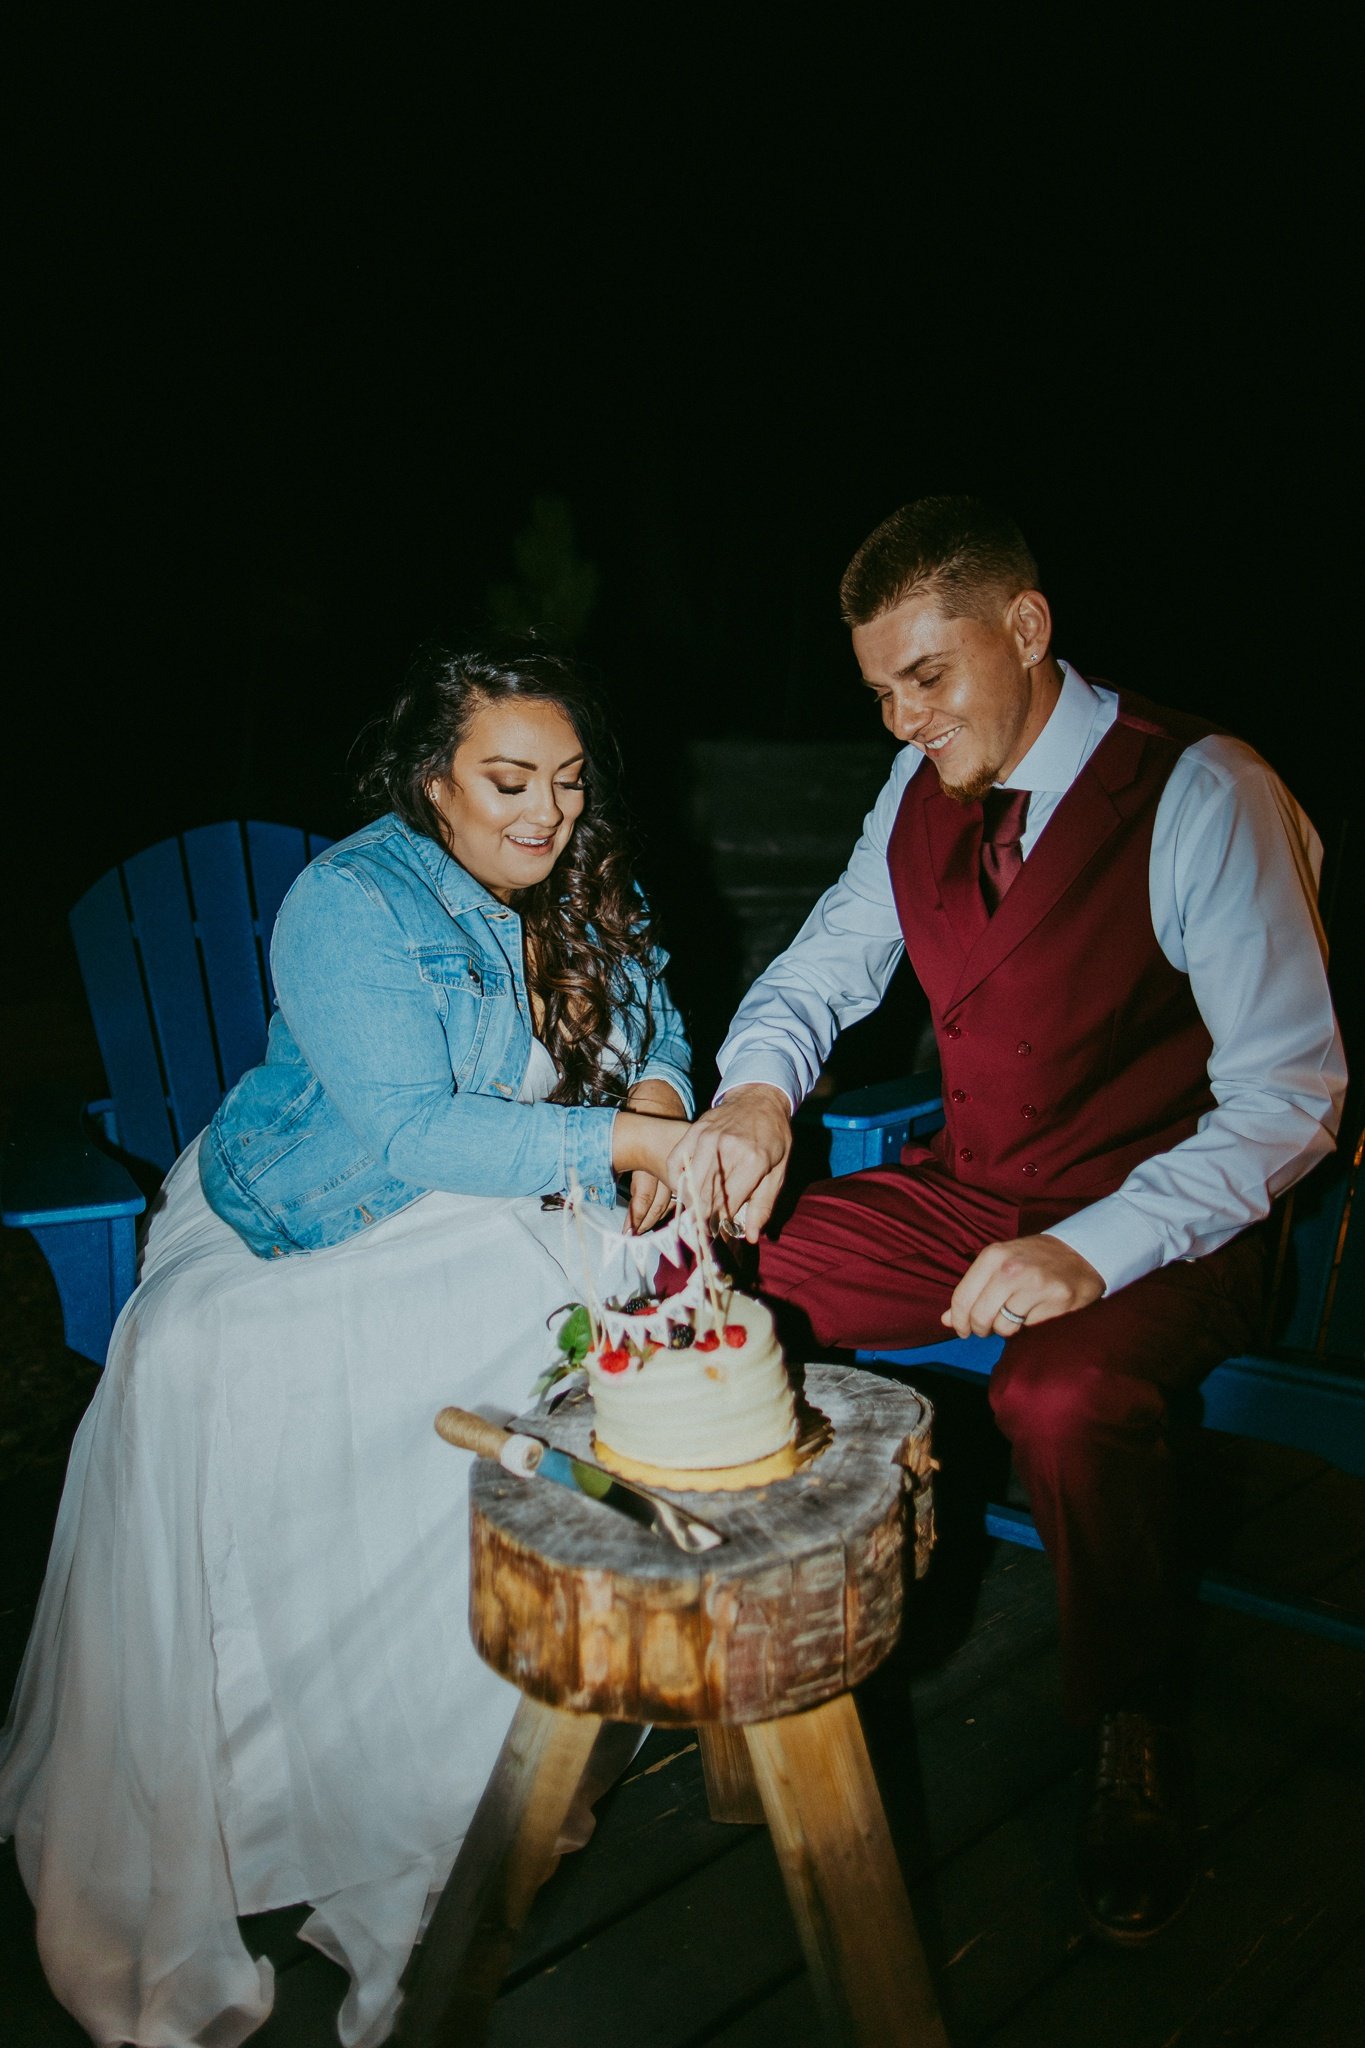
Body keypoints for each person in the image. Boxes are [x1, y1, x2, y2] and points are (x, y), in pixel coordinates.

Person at [0, 641, 693, 2047]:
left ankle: (489, 1755)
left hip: (515, 1194)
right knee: (203, 1354)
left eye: (563, 783)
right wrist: (628, 1135)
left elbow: (655, 1009)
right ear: (432, 778)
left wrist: (666, 1081)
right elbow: (414, 1132)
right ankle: (263, 1790)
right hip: (316, 1203)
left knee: (616, 1293)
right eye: (507, 781)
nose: (542, 814)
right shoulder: (349, 899)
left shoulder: (578, 875)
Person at [674, 495, 1346, 1944]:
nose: (902, 719)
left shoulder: (1202, 790)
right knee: (724, 1271)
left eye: (927, 677)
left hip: (1173, 1218)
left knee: (1060, 1394)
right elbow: (820, 971)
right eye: (879, 693)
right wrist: (754, 1097)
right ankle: (735, 1633)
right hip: (970, 1189)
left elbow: (1291, 1097)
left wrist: (1087, 1250)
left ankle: (1129, 1726)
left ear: (1026, 629)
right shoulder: (915, 792)